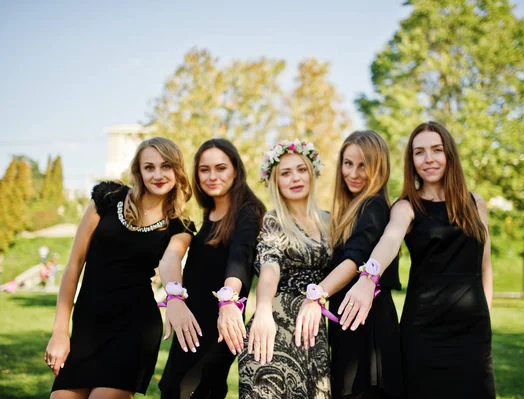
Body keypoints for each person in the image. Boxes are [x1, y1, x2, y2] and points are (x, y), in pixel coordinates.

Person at [343, 121, 495, 398]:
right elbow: (388, 242)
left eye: (436, 150)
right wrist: (368, 277)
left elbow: (485, 266)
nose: (429, 159)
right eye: (419, 152)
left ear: (449, 154)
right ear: (411, 160)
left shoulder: (476, 204)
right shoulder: (405, 207)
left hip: (473, 329)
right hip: (424, 330)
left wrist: (485, 316)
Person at [45, 137, 200, 399]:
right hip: (87, 327)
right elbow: (74, 265)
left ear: (178, 170)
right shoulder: (107, 199)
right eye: (149, 167)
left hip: (134, 330)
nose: (158, 174)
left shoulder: (180, 226)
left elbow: (170, 260)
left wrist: (174, 295)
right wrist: (60, 332)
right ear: (138, 171)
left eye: (166, 166)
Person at [294, 130, 403, 399]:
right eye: (348, 163)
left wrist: (315, 297)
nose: (353, 173)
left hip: (369, 325)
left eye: (363, 165)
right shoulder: (351, 209)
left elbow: (354, 261)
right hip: (349, 320)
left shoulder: (373, 207)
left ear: (379, 167)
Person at [159, 138, 266, 398]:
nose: (212, 176)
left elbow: (240, 258)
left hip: (221, 324)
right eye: (204, 170)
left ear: (236, 171)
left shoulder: (248, 212)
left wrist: (229, 300)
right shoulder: (208, 216)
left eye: (221, 168)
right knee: (173, 389)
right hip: (190, 323)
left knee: (194, 390)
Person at [238, 139, 332, 399]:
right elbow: (270, 265)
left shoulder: (329, 221)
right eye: (286, 173)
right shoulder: (273, 220)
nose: (295, 178)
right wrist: (263, 311)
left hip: (314, 333)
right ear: (275, 181)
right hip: (274, 332)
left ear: (312, 173)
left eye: (301, 170)